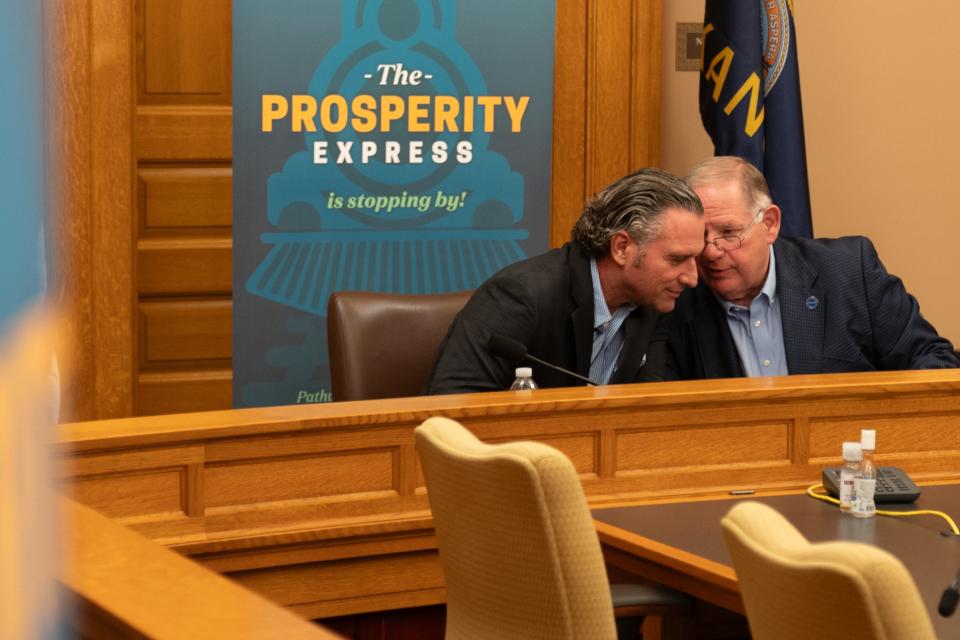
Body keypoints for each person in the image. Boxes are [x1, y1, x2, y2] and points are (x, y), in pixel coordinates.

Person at [668, 156, 959, 379]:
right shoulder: (675, 301)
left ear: (769, 224)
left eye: (728, 233)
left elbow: (932, 359)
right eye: (701, 236)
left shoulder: (848, 271)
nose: (710, 252)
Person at [425, 167, 705, 394]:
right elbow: (451, 404)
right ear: (621, 247)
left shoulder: (654, 302)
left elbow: (646, 405)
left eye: (696, 258)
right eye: (677, 259)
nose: (692, 278)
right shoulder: (521, 296)